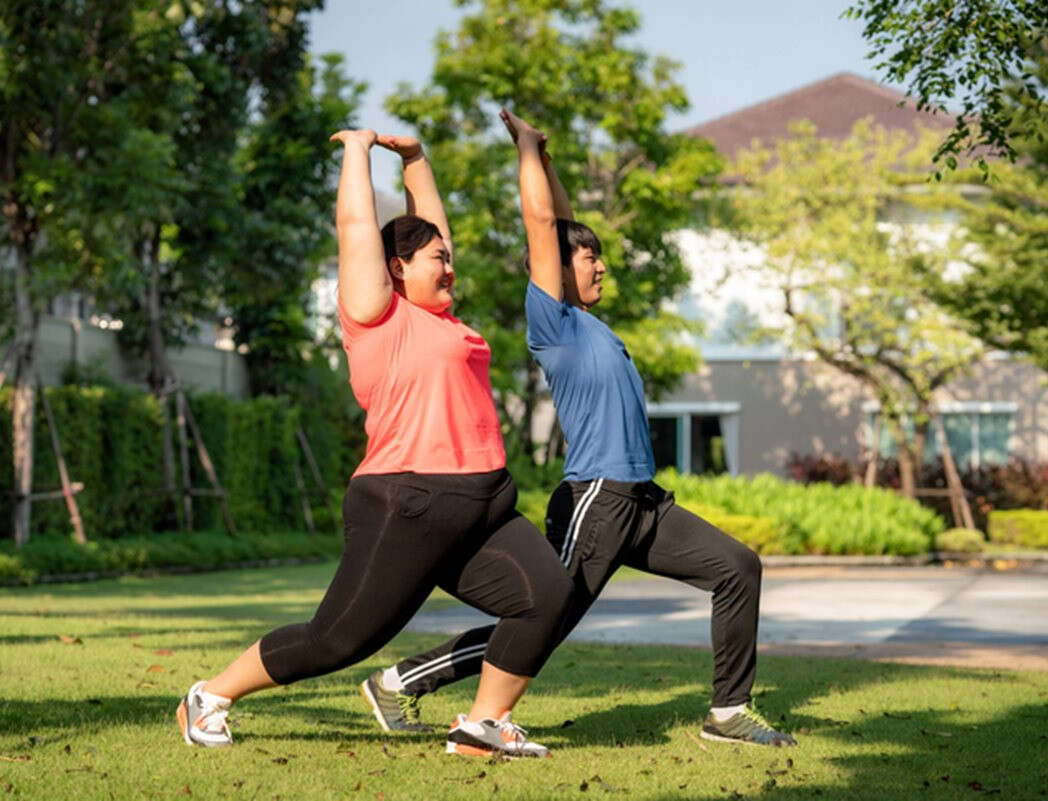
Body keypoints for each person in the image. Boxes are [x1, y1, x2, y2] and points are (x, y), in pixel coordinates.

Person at [360, 110, 796, 748]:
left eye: (599, 258)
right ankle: (400, 682)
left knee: (737, 567)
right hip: (595, 497)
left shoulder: (595, 326)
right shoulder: (553, 319)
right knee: (545, 615)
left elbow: (557, 223)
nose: (599, 268)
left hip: (643, 500)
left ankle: (728, 712)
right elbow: (544, 225)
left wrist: (550, 159)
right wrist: (528, 151)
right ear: (559, 269)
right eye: (588, 259)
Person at [176, 128, 573, 759]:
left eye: (448, 258)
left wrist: (416, 160)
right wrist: (357, 152)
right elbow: (358, 228)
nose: (450, 266)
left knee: (548, 596)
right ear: (395, 270)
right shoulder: (376, 316)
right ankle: (211, 695)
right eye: (436, 260)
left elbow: (430, 226)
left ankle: (482, 724)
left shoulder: (443, 319)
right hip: (407, 502)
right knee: (338, 639)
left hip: (485, 502)